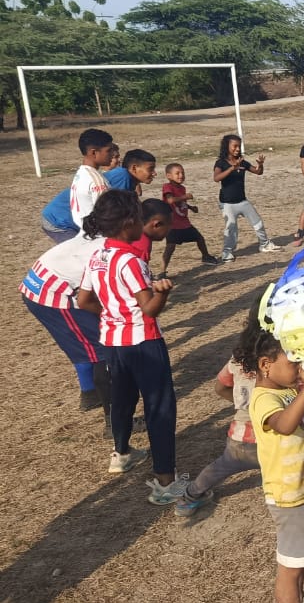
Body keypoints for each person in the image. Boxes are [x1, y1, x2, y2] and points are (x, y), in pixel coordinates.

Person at [175, 348, 304, 559]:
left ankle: (189, 498)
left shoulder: (237, 361)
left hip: (242, 439)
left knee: (221, 466)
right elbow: (294, 418)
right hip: (281, 446)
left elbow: (220, 387)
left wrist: (244, 405)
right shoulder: (283, 364)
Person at [74, 191, 186, 505]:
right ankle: (166, 482)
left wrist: (113, 315)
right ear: (128, 223)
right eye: (138, 217)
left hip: (113, 342)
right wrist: (163, 292)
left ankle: (121, 454)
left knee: (122, 400)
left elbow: (83, 300)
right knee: (160, 408)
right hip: (144, 342)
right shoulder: (132, 261)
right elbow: (149, 309)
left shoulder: (97, 255)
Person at [21, 194, 169, 418]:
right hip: (50, 291)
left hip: (47, 280)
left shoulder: (111, 236)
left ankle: (91, 394)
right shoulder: (120, 250)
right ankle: (113, 421)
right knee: (102, 350)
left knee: (102, 339)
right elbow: (92, 299)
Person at [241, 311, 304, 603]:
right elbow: (285, 426)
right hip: (288, 497)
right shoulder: (264, 399)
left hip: (302, 490)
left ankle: (300, 601)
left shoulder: (286, 390)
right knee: (290, 568)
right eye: (294, 363)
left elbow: (303, 431)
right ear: (265, 365)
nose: (299, 369)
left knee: (301, 559)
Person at [40, 143, 137, 243]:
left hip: (67, 218)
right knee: (81, 250)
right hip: (58, 221)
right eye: (113, 156)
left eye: (118, 157)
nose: (118, 160)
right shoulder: (119, 177)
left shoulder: (103, 177)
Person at [214, 134, 280, 261]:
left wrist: (260, 165)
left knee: (258, 222)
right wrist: (232, 168)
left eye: (239, 146)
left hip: (242, 201)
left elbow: (258, 172)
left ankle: (264, 244)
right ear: (226, 147)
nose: (238, 149)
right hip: (227, 204)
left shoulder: (242, 162)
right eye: (235, 146)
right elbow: (216, 178)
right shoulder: (220, 163)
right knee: (231, 229)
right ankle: (227, 252)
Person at [159, 163, 220, 276]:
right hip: (173, 225)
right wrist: (185, 197)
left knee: (199, 238)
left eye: (182, 173)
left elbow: (180, 203)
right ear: (169, 176)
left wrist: (190, 207)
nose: (181, 175)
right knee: (170, 247)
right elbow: (170, 200)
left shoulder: (182, 188)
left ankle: (206, 256)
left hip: (184, 223)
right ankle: (162, 271)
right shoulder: (167, 187)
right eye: (177, 173)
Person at [69, 128, 115, 232]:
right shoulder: (96, 180)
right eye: (109, 150)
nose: (113, 154)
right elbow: (107, 213)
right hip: (97, 234)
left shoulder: (81, 174)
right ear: (93, 153)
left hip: (84, 231)